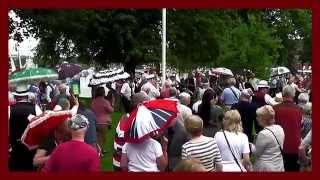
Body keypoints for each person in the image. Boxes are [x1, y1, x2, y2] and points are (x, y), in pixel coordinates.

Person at [113, 92, 150, 171]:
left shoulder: (130, 118)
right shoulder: (127, 124)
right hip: (122, 166)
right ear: (139, 106)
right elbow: (120, 151)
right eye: (147, 104)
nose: (149, 107)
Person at [273, 85, 302, 171]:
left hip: (278, 145)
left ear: (282, 94)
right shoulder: (299, 109)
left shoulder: (274, 109)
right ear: (293, 95)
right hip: (294, 145)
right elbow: (300, 127)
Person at [9, 84, 37, 171]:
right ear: (27, 96)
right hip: (31, 147)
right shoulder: (35, 108)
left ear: (16, 97)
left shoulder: (9, 109)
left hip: (15, 146)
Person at [254, 105, 285, 172]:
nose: (256, 118)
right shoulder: (280, 128)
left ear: (263, 119)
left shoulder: (263, 134)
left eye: (258, 117)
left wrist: (251, 146)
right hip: (279, 164)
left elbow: (257, 153)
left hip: (266, 167)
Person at [91, 87, 114, 154]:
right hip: (104, 122)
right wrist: (112, 104)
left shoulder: (94, 101)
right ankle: (99, 152)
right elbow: (111, 110)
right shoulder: (105, 102)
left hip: (95, 121)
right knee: (103, 138)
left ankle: (100, 150)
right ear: (103, 93)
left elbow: (92, 109)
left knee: (98, 137)